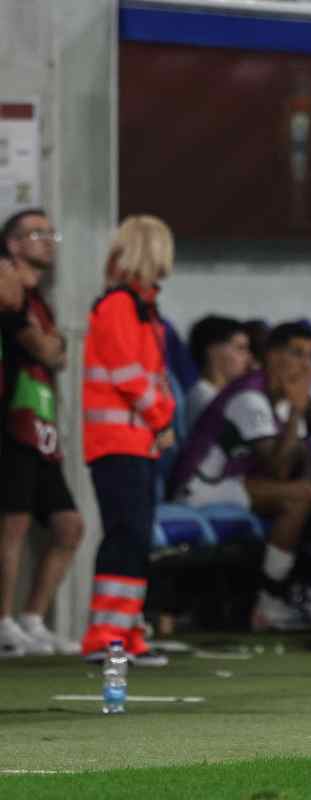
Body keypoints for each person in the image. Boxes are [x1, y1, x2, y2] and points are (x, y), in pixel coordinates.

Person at [170, 322, 311, 631]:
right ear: (272, 356)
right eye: (297, 354)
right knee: (300, 498)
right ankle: (270, 601)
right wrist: (298, 410)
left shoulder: (282, 397)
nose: (306, 365)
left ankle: (308, 593)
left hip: (235, 485)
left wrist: (306, 406)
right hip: (199, 488)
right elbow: (279, 469)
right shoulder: (249, 398)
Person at [79, 215, 177, 666]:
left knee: (135, 537)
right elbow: (128, 375)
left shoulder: (141, 308)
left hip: (135, 442)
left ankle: (127, 631)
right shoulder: (120, 306)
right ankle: (106, 636)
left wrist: (158, 421)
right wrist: (163, 418)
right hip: (118, 441)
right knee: (125, 534)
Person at [0, 210, 84, 657]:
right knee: (12, 523)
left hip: (43, 425)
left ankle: (33, 619)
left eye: (52, 233)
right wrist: (50, 345)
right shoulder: (8, 296)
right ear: (12, 245)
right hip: (12, 419)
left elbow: (58, 354)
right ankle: (3, 623)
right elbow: (44, 349)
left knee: (69, 526)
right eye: (37, 233)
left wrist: (53, 345)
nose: (48, 240)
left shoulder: (38, 302)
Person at [186, 315, 252, 428]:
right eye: (240, 348)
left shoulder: (220, 395)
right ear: (213, 351)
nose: (248, 357)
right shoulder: (205, 398)